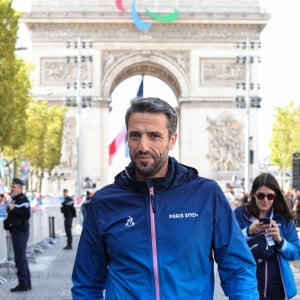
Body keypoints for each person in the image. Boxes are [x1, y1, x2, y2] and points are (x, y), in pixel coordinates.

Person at [71, 97, 258, 299]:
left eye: (154, 136)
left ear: (172, 140)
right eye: (135, 135)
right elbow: (87, 282)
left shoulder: (206, 194)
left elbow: (238, 268)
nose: (143, 146)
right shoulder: (104, 202)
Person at [234, 173, 300, 300]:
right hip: (247, 287)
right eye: (261, 195)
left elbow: (296, 252)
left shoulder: (283, 218)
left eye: (270, 196)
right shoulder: (239, 215)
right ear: (253, 194)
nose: (265, 200)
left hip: (278, 289)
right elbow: (228, 245)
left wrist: (280, 241)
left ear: (276, 196)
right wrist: (248, 232)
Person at [6, 178, 31, 292]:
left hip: (20, 232)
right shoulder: (15, 200)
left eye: (14, 187)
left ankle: (23, 283)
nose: (12, 189)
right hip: (16, 231)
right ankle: (26, 282)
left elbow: (26, 214)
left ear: (20, 188)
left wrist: (14, 209)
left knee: (20, 259)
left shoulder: (22, 200)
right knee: (21, 258)